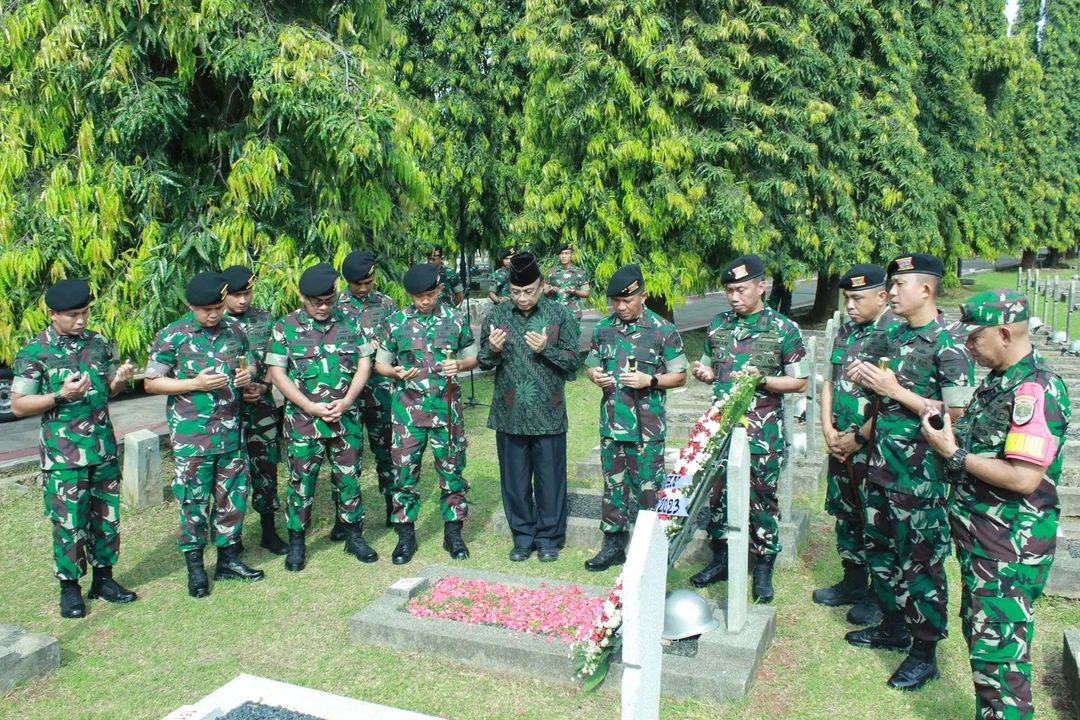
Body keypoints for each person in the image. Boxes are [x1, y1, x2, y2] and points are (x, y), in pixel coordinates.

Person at [922, 290, 1069, 720]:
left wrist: (953, 453)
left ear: (1004, 333)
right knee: (985, 648)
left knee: (1000, 658)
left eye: (974, 338)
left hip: (1008, 547)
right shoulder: (1000, 380)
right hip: (984, 543)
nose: (968, 347)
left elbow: (1024, 477)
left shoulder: (1034, 390)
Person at [844, 253, 975, 690]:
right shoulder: (895, 335)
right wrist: (866, 383)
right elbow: (882, 399)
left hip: (922, 477)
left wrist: (897, 390)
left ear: (926, 289)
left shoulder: (950, 343)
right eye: (891, 285)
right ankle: (893, 624)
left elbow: (956, 414)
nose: (892, 292)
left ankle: (924, 651)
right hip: (881, 465)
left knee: (920, 562)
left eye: (900, 285)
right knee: (880, 549)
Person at [10, 279, 138, 618]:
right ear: (53, 315)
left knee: (106, 519)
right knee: (69, 523)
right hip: (64, 456)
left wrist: (120, 380)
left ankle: (104, 580)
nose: (80, 321)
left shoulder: (97, 343)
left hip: (103, 449)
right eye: (72, 315)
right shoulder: (33, 352)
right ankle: (70, 589)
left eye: (84, 313)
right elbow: (20, 405)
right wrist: (59, 396)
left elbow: (107, 390)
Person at [688, 254, 808, 603]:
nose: (734, 297)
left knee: (760, 499)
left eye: (741, 290)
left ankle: (764, 566)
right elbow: (711, 366)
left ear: (761, 286)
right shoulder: (718, 324)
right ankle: (721, 558)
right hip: (721, 429)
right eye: (729, 291)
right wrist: (705, 373)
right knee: (718, 495)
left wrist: (764, 379)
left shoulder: (783, 328)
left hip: (762, 431)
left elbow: (797, 383)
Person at [145, 271, 264, 598]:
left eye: (217, 308)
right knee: (193, 502)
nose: (213, 314)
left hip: (230, 433)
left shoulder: (234, 329)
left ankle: (228, 560)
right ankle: (195, 568)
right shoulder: (174, 335)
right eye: (205, 309)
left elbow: (248, 362)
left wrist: (246, 376)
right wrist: (193, 384)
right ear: (189, 306)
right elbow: (151, 381)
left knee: (233, 498)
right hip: (192, 437)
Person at [265, 263, 378, 571]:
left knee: (349, 478)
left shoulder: (350, 324)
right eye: (317, 302)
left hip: (346, 418)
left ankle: (353, 536)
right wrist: (310, 406)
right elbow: (277, 373)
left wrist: (348, 400)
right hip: (304, 422)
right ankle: (297, 543)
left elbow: (365, 365)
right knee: (301, 483)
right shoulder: (284, 327)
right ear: (303, 297)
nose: (324, 307)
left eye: (329, 300)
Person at [583, 264, 688, 572]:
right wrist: (595, 375)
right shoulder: (603, 328)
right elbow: (590, 364)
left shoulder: (662, 330)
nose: (621, 307)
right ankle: (613, 546)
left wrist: (650, 381)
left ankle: (654, 550)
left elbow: (680, 376)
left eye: (627, 300)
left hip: (647, 428)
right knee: (613, 487)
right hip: (612, 424)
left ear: (643, 295)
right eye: (615, 301)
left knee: (650, 489)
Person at [375, 263, 479, 565]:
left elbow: (472, 357)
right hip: (407, 413)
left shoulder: (455, 319)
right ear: (409, 295)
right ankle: (405, 536)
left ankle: (453, 534)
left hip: (446, 412)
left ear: (440, 290)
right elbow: (381, 363)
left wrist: (458, 365)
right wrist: (394, 371)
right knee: (404, 475)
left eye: (431, 294)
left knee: (452, 472)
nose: (426, 301)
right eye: (419, 296)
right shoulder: (395, 323)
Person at [479, 252, 580, 562]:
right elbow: (483, 362)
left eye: (529, 291)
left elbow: (573, 364)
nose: (522, 298)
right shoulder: (496, 316)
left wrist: (546, 350)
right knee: (514, 480)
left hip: (547, 413)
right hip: (509, 414)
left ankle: (549, 537)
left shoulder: (560, 314)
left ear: (541, 286)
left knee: (550, 480)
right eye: (515, 291)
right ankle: (522, 536)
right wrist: (492, 350)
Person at [814, 264, 898, 624]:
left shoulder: (895, 334)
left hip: (872, 446)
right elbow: (830, 383)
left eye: (857, 298)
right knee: (845, 512)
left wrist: (858, 437)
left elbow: (892, 401)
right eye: (847, 298)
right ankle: (852, 581)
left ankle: (880, 596)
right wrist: (827, 429)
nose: (850, 305)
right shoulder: (847, 332)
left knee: (875, 519)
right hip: (841, 442)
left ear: (882, 296)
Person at [221, 265, 287, 556]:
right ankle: (230, 538)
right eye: (236, 295)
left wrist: (265, 386)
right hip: (225, 414)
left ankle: (269, 531)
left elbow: (277, 361)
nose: (242, 300)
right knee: (227, 476)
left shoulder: (265, 319)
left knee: (266, 469)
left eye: (246, 293)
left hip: (262, 408)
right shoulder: (214, 323)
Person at [338, 250, 399, 527]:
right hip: (345, 392)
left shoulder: (387, 304)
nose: (363, 288)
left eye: (368, 282)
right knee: (345, 454)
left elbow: (399, 340)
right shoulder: (335, 306)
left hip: (380, 390)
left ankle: (392, 506)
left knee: (386, 450)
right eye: (357, 284)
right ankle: (344, 518)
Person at [544, 242, 590, 320]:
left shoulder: (580, 272)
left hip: (573, 314)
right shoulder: (551, 272)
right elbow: (544, 291)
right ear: (559, 255)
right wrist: (550, 290)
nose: (564, 256)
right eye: (561, 254)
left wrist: (575, 292)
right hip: (555, 313)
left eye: (567, 253)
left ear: (572, 255)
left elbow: (586, 293)